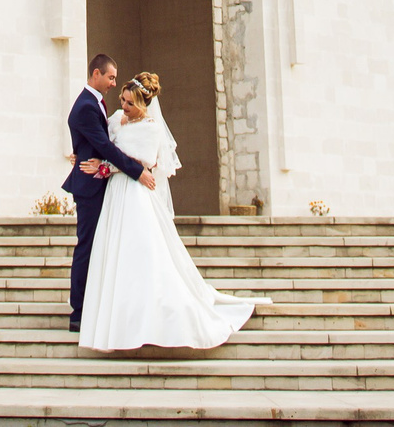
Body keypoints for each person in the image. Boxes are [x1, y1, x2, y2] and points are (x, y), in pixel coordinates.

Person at [78, 71, 264, 352]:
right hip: (116, 196)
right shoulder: (117, 120)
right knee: (116, 255)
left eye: (129, 103)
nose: (123, 106)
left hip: (136, 195)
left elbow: (145, 161)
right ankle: (119, 322)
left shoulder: (151, 129)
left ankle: (155, 320)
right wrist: (86, 158)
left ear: (142, 104)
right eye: (123, 100)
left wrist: (104, 167)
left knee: (142, 254)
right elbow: (104, 145)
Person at [63, 53, 153, 333]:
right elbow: (106, 146)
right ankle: (78, 313)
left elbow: (100, 143)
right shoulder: (87, 106)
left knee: (102, 246)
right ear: (96, 74)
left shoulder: (96, 104)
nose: (114, 84)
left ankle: (96, 304)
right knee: (87, 247)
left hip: (101, 182)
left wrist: (84, 154)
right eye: (111, 77)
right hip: (90, 187)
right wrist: (137, 171)